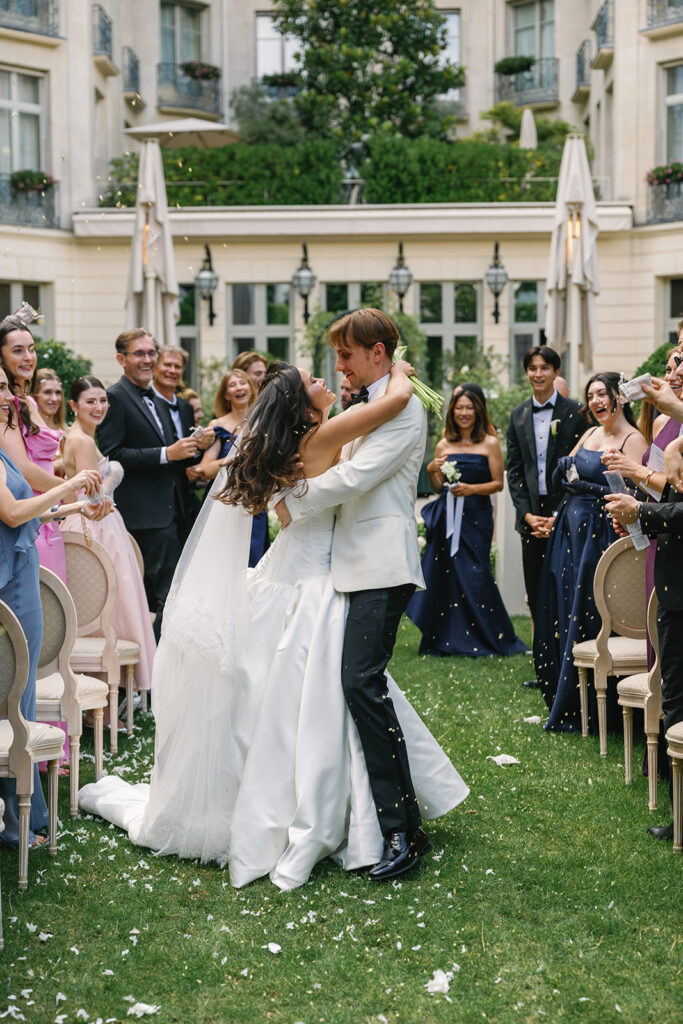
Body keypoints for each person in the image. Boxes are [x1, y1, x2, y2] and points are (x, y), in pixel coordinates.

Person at [78, 356, 469, 889]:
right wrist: (398, 368)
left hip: (290, 570)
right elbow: (396, 401)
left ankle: (370, 810)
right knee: (319, 698)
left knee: (295, 694)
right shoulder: (321, 437)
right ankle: (341, 813)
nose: (325, 380)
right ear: (300, 406)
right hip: (314, 582)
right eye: (313, 381)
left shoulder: (294, 443)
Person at [276, 308, 438, 881]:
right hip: (352, 565)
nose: (339, 364)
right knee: (361, 687)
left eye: (346, 354)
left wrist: (289, 500)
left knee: (360, 685)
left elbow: (355, 477)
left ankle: (400, 831)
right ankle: (401, 820)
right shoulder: (378, 400)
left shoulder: (404, 409)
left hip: (381, 564)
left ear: (378, 352)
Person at [0, 364, 104, 848]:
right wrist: (68, 484)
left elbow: (26, 513)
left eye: (7, 387)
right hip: (11, 582)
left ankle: (25, 813)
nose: (8, 395)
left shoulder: (3, 448)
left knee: (18, 694)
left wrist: (71, 507)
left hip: (21, 571)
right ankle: (18, 822)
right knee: (13, 692)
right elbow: (12, 513)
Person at [534, 372, 647, 732]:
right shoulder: (589, 434)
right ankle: (567, 693)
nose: (595, 401)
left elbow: (635, 495)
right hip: (570, 532)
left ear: (619, 397)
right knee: (565, 604)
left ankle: (603, 706)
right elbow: (564, 471)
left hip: (601, 535)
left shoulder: (633, 439)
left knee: (591, 609)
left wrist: (583, 485)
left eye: (602, 393)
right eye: (591, 395)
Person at [606, 369, 683, 841]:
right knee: (676, 699)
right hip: (674, 587)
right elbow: (672, 501)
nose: (676, 371)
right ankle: (681, 817)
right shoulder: (669, 429)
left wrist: (643, 511)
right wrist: (639, 521)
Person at [96, 330, 211, 640]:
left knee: (174, 595)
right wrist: (165, 453)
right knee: (164, 599)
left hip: (174, 513)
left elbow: (172, 455)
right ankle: (153, 664)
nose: (147, 359)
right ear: (121, 359)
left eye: (151, 353)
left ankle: (157, 662)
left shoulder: (156, 399)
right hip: (144, 518)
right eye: (139, 353)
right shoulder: (114, 397)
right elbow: (112, 455)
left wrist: (195, 449)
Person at [407, 383, 527, 657]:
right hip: (449, 516)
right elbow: (438, 486)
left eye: (469, 408)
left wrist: (472, 489)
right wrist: (431, 470)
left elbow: (497, 483)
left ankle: (494, 638)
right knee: (448, 575)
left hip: (476, 516)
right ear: (452, 411)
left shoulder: (490, 443)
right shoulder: (443, 444)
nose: (464, 413)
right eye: (459, 407)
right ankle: (447, 637)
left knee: (477, 573)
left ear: (478, 410)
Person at [60, 376, 156, 695]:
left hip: (92, 523)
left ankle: (106, 691)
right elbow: (93, 498)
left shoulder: (78, 436)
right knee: (110, 603)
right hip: (96, 526)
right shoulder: (83, 441)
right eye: (90, 401)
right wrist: (114, 476)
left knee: (109, 602)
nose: (99, 406)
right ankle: (106, 688)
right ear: (73, 405)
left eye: (103, 400)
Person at [506, 346, 585, 687]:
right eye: (532, 368)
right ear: (526, 372)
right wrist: (526, 515)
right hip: (531, 519)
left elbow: (578, 469)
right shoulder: (518, 415)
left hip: (564, 514)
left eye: (544, 368)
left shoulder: (575, 412)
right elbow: (514, 470)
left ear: (555, 371)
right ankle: (543, 671)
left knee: (564, 592)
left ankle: (568, 667)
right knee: (536, 594)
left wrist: (557, 514)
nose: (538, 374)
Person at [198, 370, 268, 566]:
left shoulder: (263, 422)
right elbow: (206, 468)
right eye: (232, 385)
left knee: (253, 563)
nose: (238, 388)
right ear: (226, 395)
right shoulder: (217, 425)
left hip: (254, 502)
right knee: (223, 562)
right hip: (224, 502)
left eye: (242, 383)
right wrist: (240, 456)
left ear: (250, 388)